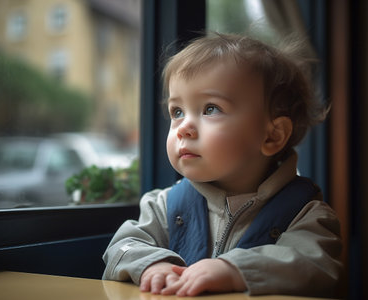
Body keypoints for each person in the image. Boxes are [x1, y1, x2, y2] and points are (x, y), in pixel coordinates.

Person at [102, 33, 342, 297]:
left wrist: (235, 270)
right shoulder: (164, 205)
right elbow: (123, 246)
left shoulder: (305, 213)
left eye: (210, 109)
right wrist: (151, 264)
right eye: (177, 111)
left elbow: (313, 265)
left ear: (272, 135)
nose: (183, 128)